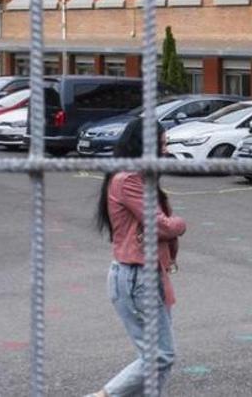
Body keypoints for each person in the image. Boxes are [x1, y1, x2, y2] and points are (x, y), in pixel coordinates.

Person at [86, 119, 186, 397]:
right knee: (160, 356)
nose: (165, 151)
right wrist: (179, 223)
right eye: (162, 145)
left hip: (148, 275)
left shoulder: (140, 177)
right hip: (137, 277)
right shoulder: (128, 179)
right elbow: (161, 225)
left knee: (157, 360)